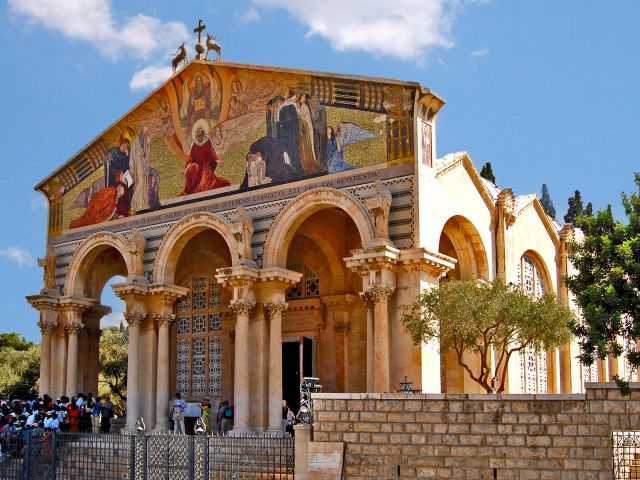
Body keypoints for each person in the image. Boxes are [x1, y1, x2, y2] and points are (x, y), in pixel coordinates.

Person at [180, 122, 231, 196]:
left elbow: (212, 153)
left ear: (203, 132)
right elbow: (191, 158)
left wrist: (219, 161)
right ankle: (191, 188)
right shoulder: (194, 144)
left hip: (205, 165)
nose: (198, 132)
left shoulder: (207, 142)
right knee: (192, 166)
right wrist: (186, 170)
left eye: (200, 131)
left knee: (203, 186)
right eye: (197, 131)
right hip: (197, 165)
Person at [296, 93, 320, 175]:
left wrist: (298, 113)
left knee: (305, 147)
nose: (302, 98)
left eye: (303, 97)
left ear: (305, 99)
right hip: (303, 128)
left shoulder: (304, 107)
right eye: (301, 96)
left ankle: (307, 164)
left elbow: (304, 119)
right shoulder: (300, 106)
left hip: (304, 129)